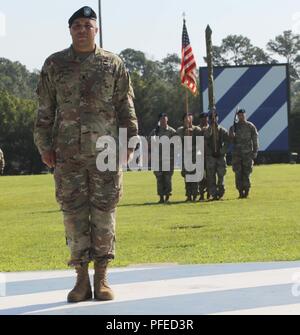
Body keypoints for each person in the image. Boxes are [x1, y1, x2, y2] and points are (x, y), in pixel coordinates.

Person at [34, 6, 138, 303]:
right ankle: (80, 280)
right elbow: (44, 110)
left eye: (87, 25)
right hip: (67, 155)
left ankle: (102, 278)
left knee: (104, 214)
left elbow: (125, 107)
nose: (82, 29)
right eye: (77, 25)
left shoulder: (113, 64)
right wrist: (44, 146)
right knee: (73, 215)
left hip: (107, 153)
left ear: (96, 30)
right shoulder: (55, 64)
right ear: (70, 30)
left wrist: (129, 144)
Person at [229, 109, 259, 199]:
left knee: (247, 172)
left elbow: (255, 139)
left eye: (242, 115)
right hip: (237, 154)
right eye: (239, 115)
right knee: (238, 173)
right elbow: (230, 141)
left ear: (245, 115)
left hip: (247, 154)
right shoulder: (233, 127)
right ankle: (240, 192)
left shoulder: (250, 126)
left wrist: (255, 151)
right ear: (237, 116)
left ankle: (246, 191)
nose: (241, 117)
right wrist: (231, 135)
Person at [149, 113, 176, 203]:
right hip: (158, 159)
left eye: (165, 119)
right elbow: (149, 142)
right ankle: (161, 197)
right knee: (159, 178)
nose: (163, 121)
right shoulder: (155, 131)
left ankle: (167, 196)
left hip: (168, 159)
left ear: (167, 120)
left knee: (167, 178)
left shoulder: (172, 131)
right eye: (162, 119)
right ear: (159, 121)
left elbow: (177, 143)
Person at [203, 111, 229, 200]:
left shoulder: (222, 130)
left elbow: (227, 142)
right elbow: (206, 138)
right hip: (211, 157)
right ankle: (214, 195)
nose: (213, 119)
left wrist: (221, 151)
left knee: (221, 176)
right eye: (211, 118)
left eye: (215, 117)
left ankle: (221, 193)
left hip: (220, 157)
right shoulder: (207, 130)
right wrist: (211, 128)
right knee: (211, 177)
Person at [177, 113, 202, 202]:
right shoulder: (180, 130)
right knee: (186, 176)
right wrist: (186, 135)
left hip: (194, 156)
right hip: (185, 157)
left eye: (189, 119)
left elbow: (200, 143)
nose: (188, 121)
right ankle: (188, 195)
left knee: (194, 176)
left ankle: (195, 195)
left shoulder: (197, 130)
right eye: (186, 119)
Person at [198, 112, 210, 201]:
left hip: (209, 156)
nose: (204, 120)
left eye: (206, 118)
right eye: (202, 118)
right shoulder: (196, 129)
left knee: (210, 176)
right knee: (201, 177)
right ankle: (201, 194)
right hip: (199, 156)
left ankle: (210, 194)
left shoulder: (211, 128)